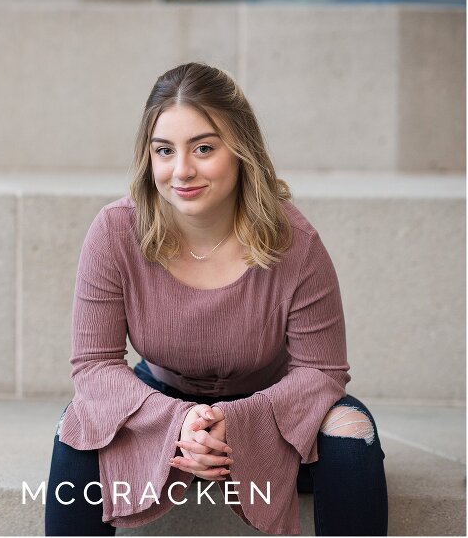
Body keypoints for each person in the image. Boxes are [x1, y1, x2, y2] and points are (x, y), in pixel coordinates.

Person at [45, 62, 388, 536]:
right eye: (164, 150)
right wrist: (179, 420)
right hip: (160, 399)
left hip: (273, 405)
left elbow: (322, 372)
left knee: (351, 435)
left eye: (203, 148)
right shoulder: (115, 232)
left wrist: (238, 420)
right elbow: (94, 365)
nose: (181, 170)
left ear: (240, 151)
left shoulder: (294, 242)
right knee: (80, 425)